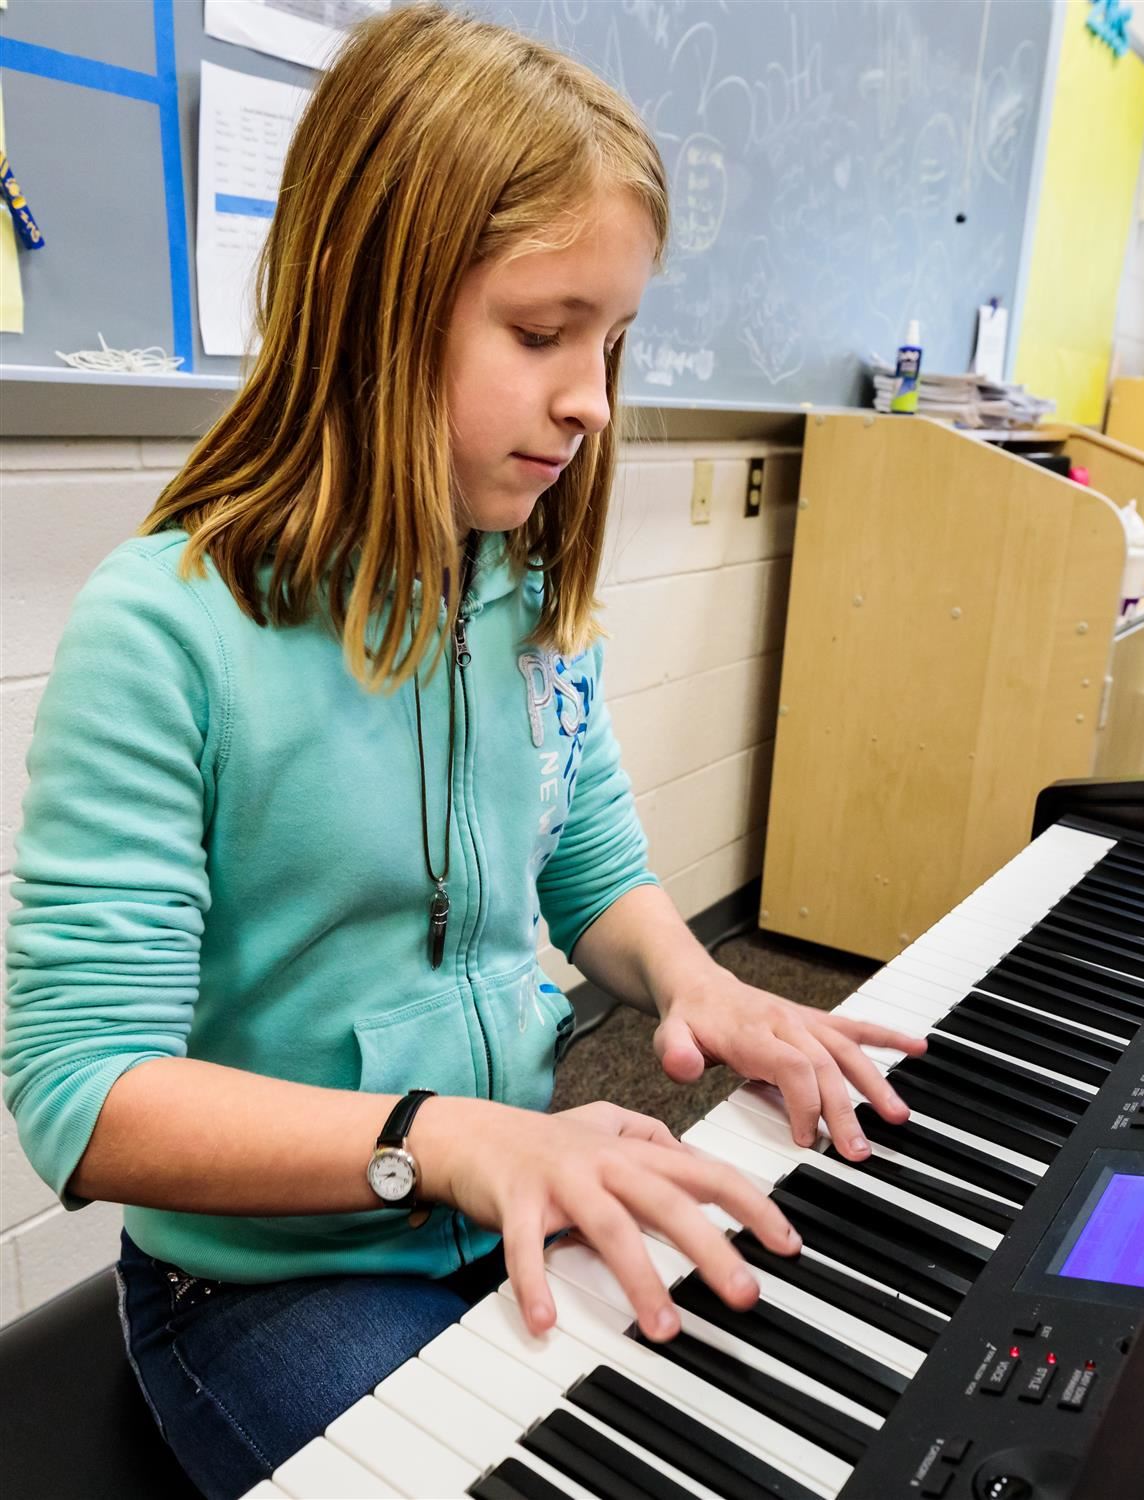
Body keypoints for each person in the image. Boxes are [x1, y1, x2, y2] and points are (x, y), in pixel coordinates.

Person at [0, 9, 925, 1497]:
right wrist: (446, 1143)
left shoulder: (523, 587)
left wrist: (702, 986)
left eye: (611, 342)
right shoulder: (163, 631)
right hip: (261, 1283)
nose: (592, 400)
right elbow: (81, 1091)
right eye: (543, 333)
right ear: (373, 302)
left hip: (497, 1197)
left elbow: (594, 870)